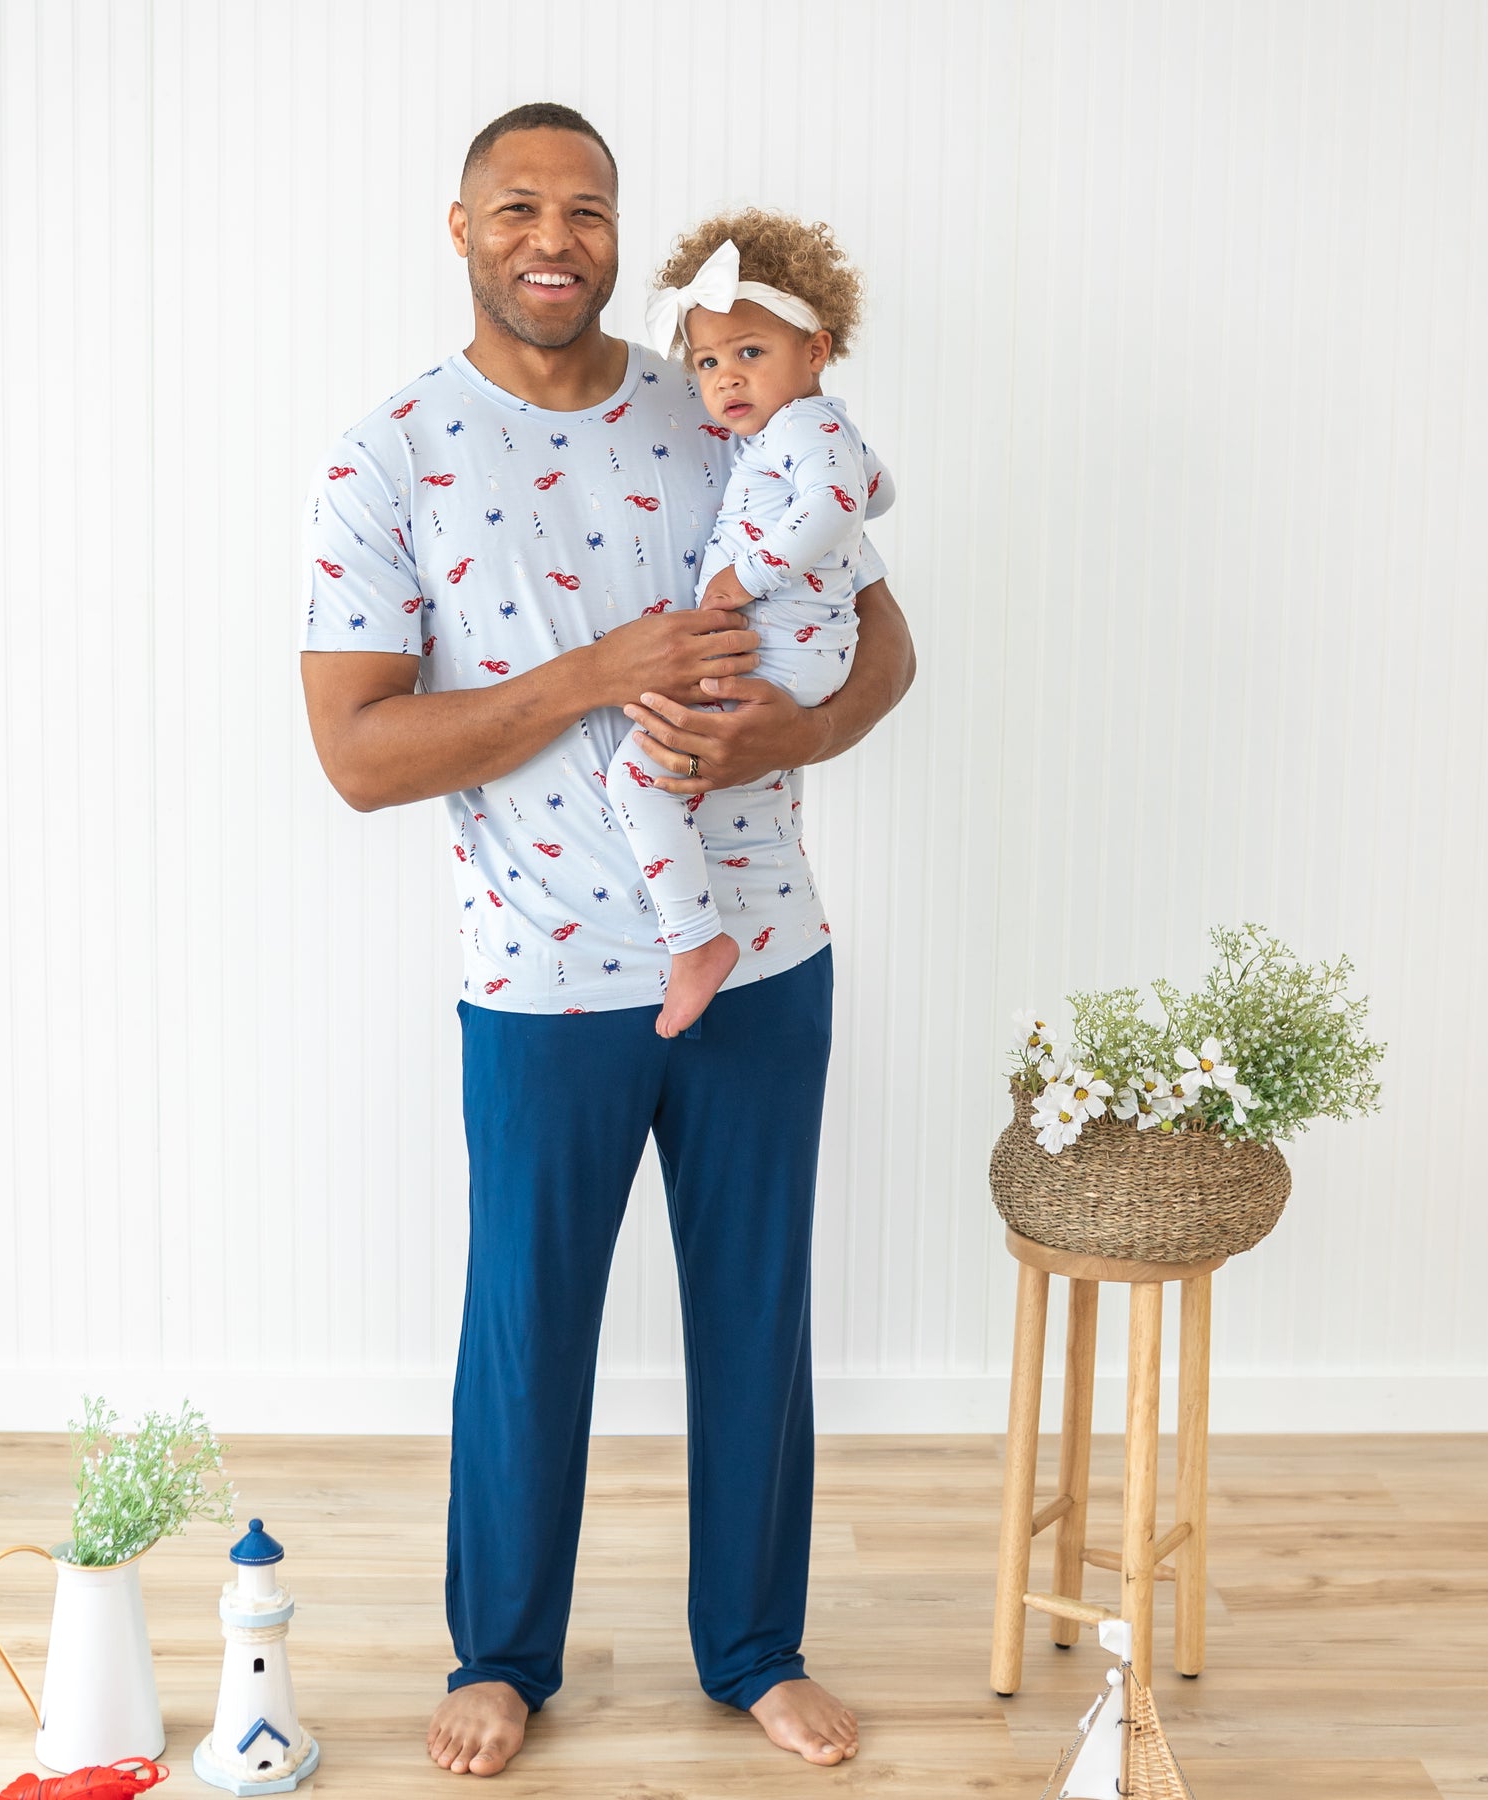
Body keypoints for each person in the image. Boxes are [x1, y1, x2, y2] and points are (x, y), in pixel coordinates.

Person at [299, 102, 916, 1779]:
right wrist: (597, 672)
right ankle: (500, 1655)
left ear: (618, 231)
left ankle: (755, 1650)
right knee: (529, 1320)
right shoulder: (390, 455)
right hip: (542, 977)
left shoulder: (726, 394)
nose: (552, 236)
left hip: (763, 957)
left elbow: (884, 646)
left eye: (584, 208)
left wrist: (788, 737)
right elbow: (356, 756)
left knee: (754, 1313)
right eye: (519, 207)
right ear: (462, 229)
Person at [611, 215, 896, 1037]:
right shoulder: (808, 432)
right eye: (707, 361)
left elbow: (841, 504)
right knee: (682, 776)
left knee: (637, 778)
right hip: (794, 652)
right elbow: (876, 491)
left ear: (814, 351)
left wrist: (751, 572)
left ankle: (697, 942)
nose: (725, 378)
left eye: (750, 353)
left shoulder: (804, 428)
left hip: (781, 653)